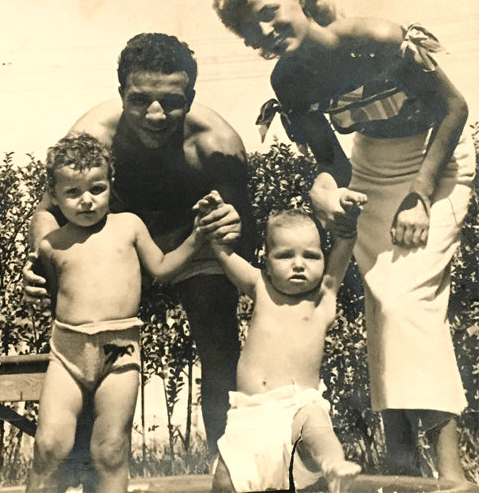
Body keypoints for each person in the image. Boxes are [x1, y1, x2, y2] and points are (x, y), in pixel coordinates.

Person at [213, 0, 476, 482]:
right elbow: (330, 161)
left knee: (408, 303)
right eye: (249, 28)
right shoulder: (288, 80)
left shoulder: (376, 38)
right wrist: (327, 191)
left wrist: (421, 195)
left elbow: (455, 108)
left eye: (269, 11)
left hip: (436, 161)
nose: (264, 30)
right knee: (384, 302)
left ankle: (452, 473)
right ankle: (403, 464)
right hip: (373, 168)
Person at [23, 33, 254, 461]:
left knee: (219, 340)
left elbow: (238, 233)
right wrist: (40, 262)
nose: (155, 114)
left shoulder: (217, 144)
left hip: (190, 238)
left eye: (171, 100)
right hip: (115, 239)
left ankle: (232, 469)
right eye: (140, 99)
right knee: (88, 335)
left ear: (191, 95)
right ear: (120, 94)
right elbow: (48, 212)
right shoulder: (92, 135)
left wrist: (230, 224)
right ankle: (84, 472)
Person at [26, 132, 219, 492]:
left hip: (120, 351)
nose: (86, 201)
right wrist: (32, 290)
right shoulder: (52, 245)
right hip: (67, 352)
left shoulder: (128, 226)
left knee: (111, 450)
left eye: (96, 189)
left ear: (110, 185)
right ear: (53, 196)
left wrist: (196, 237)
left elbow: (161, 269)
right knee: (49, 445)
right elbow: (43, 294)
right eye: (72, 193)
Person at [198, 191, 365, 492]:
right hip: (250, 414)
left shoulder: (323, 298)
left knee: (315, 424)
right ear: (267, 260)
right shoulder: (261, 287)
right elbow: (223, 253)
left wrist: (349, 221)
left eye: (311, 255)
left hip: (297, 405)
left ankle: (334, 465)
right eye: (286, 255)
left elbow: (345, 243)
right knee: (225, 479)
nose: (299, 264)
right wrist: (216, 217)